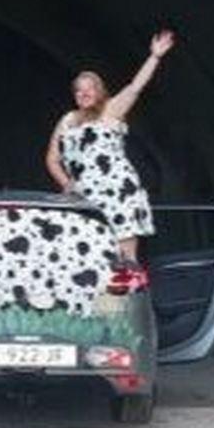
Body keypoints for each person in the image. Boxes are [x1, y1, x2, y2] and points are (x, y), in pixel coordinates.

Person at [45, 30, 176, 262]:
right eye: (79, 90)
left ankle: (130, 280)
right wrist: (66, 183)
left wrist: (154, 56)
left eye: (89, 88)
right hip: (83, 196)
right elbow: (52, 159)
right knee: (85, 253)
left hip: (117, 191)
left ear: (100, 92)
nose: (84, 93)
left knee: (124, 257)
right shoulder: (67, 120)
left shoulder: (111, 110)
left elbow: (135, 87)